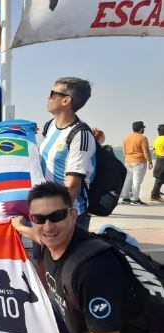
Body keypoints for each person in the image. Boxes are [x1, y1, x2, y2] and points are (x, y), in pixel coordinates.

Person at [11, 181, 162, 333]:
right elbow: (41, 235)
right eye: (39, 218)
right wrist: (19, 227)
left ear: (73, 215)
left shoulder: (92, 271)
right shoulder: (52, 241)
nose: (48, 226)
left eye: (57, 216)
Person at [39, 77, 96, 231]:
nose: (48, 97)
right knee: (40, 256)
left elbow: (71, 187)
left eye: (52, 93)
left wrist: (54, 218)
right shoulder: (50, 126)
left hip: (66, 217)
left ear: (66, 101)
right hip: (44, 212)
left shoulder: (80, 135)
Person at [120, 121, 153, 205]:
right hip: (139, 162)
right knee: (137, 181)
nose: (144, 129)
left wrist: (127, 158)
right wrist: (149, 161)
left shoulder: (126, 137)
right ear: (141, 128)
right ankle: (135, 199)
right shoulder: (142, 138)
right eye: (143, 128)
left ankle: (125, 198)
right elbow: (146, 151)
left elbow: (124, 151)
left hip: (128, 161)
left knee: (128, 180)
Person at [151, 124, 164, 202]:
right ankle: (154, 195)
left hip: (159, 159)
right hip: (163, 160)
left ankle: (157, 192)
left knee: (159, 178)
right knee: (160, 179)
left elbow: (154, 152)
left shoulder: (156, 139)